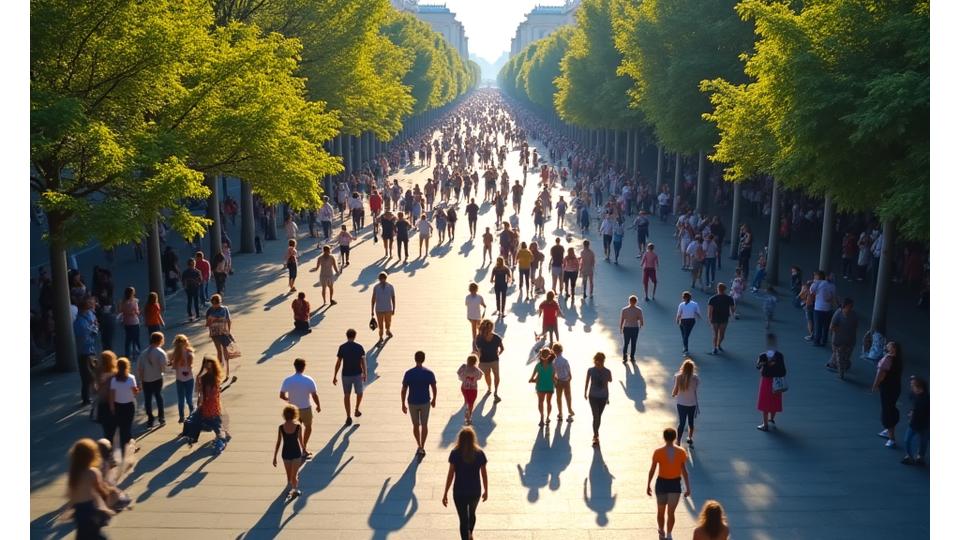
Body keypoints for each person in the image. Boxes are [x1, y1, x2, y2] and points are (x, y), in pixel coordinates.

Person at [442, 427, 489, 540]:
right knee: (472, 514)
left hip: (459, 491)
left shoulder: (455, 453)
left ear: (460, 439)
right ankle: (470, 533)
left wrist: (445, 492)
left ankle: (466, 536)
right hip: (475, 491)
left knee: (463, 519)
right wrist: (486, 490)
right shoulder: (479, 453)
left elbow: (450, 474)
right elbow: (484, 474)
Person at [646, 428, 691, 540]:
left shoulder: (658, 452)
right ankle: (669, 534)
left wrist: (648, 484)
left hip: (661, 483)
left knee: (660, 512)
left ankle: (661, 531)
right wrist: (688, 487)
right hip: (675, 484)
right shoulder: (681, 452)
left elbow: (652, 469)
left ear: (664, 437)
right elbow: (684, 471)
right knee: (671, 512)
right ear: (675, 437)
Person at [67, 438, 115, 539]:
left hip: (79, 511)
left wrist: (70, 509)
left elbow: (71, 494)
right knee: (97, 536)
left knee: (83, 535)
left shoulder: (74, 473)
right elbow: (101, 491)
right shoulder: (92, 472)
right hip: (89, 509)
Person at [280, 358, 322, 457]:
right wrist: (318, 405)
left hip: (292, 409)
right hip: (306, 408)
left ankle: (296, 448)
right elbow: (314, 395)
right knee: (308, 428)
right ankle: (304, 448)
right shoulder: (308, 380)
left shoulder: (288, 380)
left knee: (295, 429)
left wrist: (288, 399)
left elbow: (281, 395)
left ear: (294, 367)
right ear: (304, 367)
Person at [401, 351, 437, 457]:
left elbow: (404, 389)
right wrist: (434, 399)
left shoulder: (409, 373)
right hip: (425, 401)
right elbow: (434, 387)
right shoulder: (429, 373)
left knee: (416, 425)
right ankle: (423, 445)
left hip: (412, 402)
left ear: (415, 359)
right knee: (425, 425)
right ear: (424, 359)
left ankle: (419, 445)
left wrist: (403, 403)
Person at [872, 341, 903, 449]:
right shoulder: (898, 360)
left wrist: (875, 385)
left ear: (893, 348)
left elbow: (880, 374)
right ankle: (888, 430)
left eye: (889, 345)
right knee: (890, 407)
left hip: (887, 388)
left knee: (887, 410)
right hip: (896, 388)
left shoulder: (887, 359)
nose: (886, 346)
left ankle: (891, 438)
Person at [334, 329, 367, 426]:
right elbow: (363, 361)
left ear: (347, 336)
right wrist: (365, 373)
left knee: (347, 395)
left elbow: (339, 362)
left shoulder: (342, 347)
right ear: (355, 336)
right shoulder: (359, 347)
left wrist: (335, 375)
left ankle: (348, 416)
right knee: (360, 393)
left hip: (346, 375)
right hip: (357, 374)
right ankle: (356, 409)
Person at [272, 405, 305, 499]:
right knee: (294, 475)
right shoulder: (298, 427)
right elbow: (301, 441)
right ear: (295, 414)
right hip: (296, 453)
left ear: (284, 415)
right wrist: (304, 450)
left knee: (289, 476)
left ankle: (290, 489)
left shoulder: (281, 428)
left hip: (285, 453)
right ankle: (295, 490)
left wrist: (275, 457)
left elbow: (278, 443)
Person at [108, 357, 139, 457]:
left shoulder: (114, 380)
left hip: (118, 406)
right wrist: (138, 389)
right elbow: (135, 392)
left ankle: (128, 446)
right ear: (127, 366)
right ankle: (126, 447)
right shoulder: (131, 378)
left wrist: (112, 407)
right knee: (127, 427)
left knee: (122, 427)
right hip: (129, 406)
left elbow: (112, 394)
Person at [196, 356, 228, 450]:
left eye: (209, 367)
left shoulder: (208, 378)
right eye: (207, 367)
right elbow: (203, 393)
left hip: (211, 407)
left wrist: (200, 402)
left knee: (215, 425)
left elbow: (203, 394)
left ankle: (220, 441)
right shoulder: (213, 377)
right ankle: (221, 437)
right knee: (215, 424)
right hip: (211, 406)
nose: (208, 368)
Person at [756, 334, 787, 431]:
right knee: (775, 400)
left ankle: (765, 425)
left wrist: (764, 364)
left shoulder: (763, 355)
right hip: (777, 381)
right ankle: (771, 419)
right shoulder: (780, 355)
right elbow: (784, 371)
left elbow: (757, 366)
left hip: (766, 381)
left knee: (765, 402)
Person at [136, 332, 167, 428]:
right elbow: (163, 367)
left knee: (147, 399)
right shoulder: (161, 352)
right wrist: (161, 370)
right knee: (158, 397)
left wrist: (140, 380)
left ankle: (150, 418)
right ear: (160, 340)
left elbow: (139, 368)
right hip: (157, 378)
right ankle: (161, 417)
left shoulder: (143, 353)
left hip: (146, 380)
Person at [74, 296, 100, 405]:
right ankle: (86, 397)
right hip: (85, 351)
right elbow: (85, 336)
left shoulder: (88, 315)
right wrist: (93, 329)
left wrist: (94, 329)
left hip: (89, 350)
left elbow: (95, 325)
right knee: (86, 376)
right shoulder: (80, 322)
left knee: (91, 374)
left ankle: (90, 395)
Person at [584, 352, 612, 447]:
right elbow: (587, 381)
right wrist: (585, 392)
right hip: (593, 396)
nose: (598, 363)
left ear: (603, 361)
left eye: (600, 361)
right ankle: (595, 435)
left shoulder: (607, 371)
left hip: (603, 397)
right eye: (597, 361)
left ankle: (596, 433)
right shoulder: (590, 370)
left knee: (598, 416)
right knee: (596, 416)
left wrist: (607, 397)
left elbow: (610, 380)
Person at [205, 294, 235, 380]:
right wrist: (211, 320)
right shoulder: (209, 310)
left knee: (226, 351)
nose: (216, 305)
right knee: (219, 351)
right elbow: (207, 324)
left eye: (217, 303)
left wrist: (229, 331)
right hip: (215, 334)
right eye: (214, 304)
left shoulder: (225, 309)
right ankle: (219, 370)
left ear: (220, 302)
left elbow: (229, 320)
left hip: (224, 333)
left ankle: (227, 372)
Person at [827, 298, 858, 379]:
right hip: (839, 341)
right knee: (840, 358)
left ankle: (834, 363)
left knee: (846, 357)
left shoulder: (853, 314)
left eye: (852, 306)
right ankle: (841, 373)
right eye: (849, 306)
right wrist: (841, 330)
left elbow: (855, 326)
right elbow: (832, 327)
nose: (851, 308)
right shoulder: (838, 314)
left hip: (850, 341)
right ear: (844, 306)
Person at [671, 358, 700, 446]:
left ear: (683, 367)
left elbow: (675, 391)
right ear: (692, 368)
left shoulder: (678, 377)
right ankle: (690, 438)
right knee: (691, 422)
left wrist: (673, 394)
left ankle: (678, 441)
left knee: (682, 423)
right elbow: (695, 389)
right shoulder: (696, 378)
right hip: (692, 403)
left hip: (681, 403)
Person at [474, 319, 504, 402]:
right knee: (494, 375)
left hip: (487, 361)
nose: (490, 330)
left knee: (490, 375)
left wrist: (498, 354)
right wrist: (498, 354)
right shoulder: (481, 338)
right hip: (491, 360)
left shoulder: (480, 338)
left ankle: (492, 389)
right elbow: (502, 349)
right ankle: (493, 389)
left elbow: (502, 348)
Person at [902, 376, 929, 465]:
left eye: (913, 386)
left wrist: (912, 415)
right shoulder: (914, 395)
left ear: (919, 388)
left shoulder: (926, 400)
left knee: (919, 440)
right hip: (918, 422)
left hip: (922, 423)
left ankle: (916, 456)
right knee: (921, 440)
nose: (911, 387)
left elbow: (921, 411)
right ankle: (917, 456)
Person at [169, 334, 195, 423]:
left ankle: (182, 417)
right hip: (188, 378)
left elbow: (172, 365)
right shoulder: (188, 352)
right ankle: (192, 414)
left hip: (180, 379)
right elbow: (190, 366)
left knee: (181, 399)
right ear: (185, 342)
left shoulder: (175, 354)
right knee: (188, 398)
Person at [529, 348, 557, 426]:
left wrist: (532, 380)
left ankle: (542, 417)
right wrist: (556, 381)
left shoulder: (538, 365)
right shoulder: (552, 366)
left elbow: (532, 378)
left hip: (541, 387)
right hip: (549, 386)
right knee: (548, 402)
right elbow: (554, 377)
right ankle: (547, 417)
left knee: (541, 402)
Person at [94, 352, 118, 441]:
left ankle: (108, 448)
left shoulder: (98, 373)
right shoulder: (115, 374)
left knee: (107, 430)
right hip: (113, 403)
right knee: (116, 428)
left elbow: (94, 390)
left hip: (102, 404)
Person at [707, 284, 735, 355]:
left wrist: (709, 319)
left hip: (715, 318)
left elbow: (710, 311)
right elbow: (732, 309)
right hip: (724, 318)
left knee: (715, 334)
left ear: (717, 289)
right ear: (725, 289)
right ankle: (718, 345)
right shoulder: (729, 298)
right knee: (722, 334)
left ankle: (715, 347)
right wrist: (733, 314)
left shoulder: (712, 299)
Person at [457, 355, 484, 425]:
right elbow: (480, 375)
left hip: (464, 387)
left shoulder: (463, 367)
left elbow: (458, 373)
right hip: (473, 388)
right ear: (475, 361)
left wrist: (465, 377)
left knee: (467, 400)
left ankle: (467, 409)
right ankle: (469, 416)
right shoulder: (476, 369)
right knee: (471, 403)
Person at [551, 342, 574, 423]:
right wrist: (570, 377)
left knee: (558, 397)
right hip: (566, 380)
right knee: (568, 396)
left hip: (559, 381)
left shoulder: (554, 362)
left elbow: (553, 373)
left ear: (554, 351)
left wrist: (555, 381)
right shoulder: (565, 361)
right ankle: (570, 409)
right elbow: (568, 370)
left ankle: (560, 413)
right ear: (561, 351)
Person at [371, 272, 396, 342]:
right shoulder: (376, 287)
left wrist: (394, 308)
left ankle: (388, 331)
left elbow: (393, 297)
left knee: (388, 322)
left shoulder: (390, 287)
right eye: (381, 279)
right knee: (380, 325)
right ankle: (380, 337)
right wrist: (372, 310)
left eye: (383, 279)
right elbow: (373, 299)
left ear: (386, 278)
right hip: (379, 309)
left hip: (388, 308)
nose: (382, 280)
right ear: (379, 279)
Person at [619, 295, 644, 363]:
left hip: (627, 328)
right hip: (635, 328)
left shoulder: (624, 309)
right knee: (633, 343)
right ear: (636, 302)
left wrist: (621, 327)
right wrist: (641, 324)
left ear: (629, 301)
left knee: (626, 343)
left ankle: (625, 356)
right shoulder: (639, 310)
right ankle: (632, 357)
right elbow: (641, 319)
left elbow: (622, 319)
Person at [676, 291, 702, 355]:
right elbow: (698, 312)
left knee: (685, 335)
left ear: (684, 297)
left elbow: (679, 313)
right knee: (685, 335)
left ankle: (685, 349)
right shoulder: (695, 304)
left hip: (684, 321)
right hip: (691, 321)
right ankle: (685, 347)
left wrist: (677, 320)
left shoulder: (681, 304)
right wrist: (699, 317)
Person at [119, 287, 141, 360]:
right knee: (136, 338)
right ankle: (136, 353)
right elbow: (137, 312)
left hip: (127, 322)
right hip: (134, 322)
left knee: (128, 339)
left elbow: (121, 311)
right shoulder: (134, 302)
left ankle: (127, 353)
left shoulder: (123, 302)